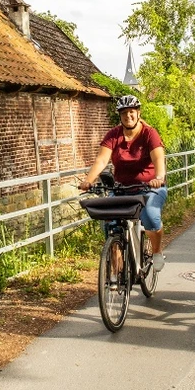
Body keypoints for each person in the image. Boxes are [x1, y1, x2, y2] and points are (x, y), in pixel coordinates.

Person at [80, 94, 168, 270]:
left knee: (150, 215)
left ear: (138, 113)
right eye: (124, 113)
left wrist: (159, 178)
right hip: (122, 189)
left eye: (132, 112)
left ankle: (157, 251)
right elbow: (101, 160)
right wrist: (88, 180)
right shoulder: (114, 134)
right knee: (109, 222)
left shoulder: (149, 133)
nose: (128, 116)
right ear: (119, 116)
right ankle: (117, 271)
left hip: (148, 188)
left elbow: (158, 158)